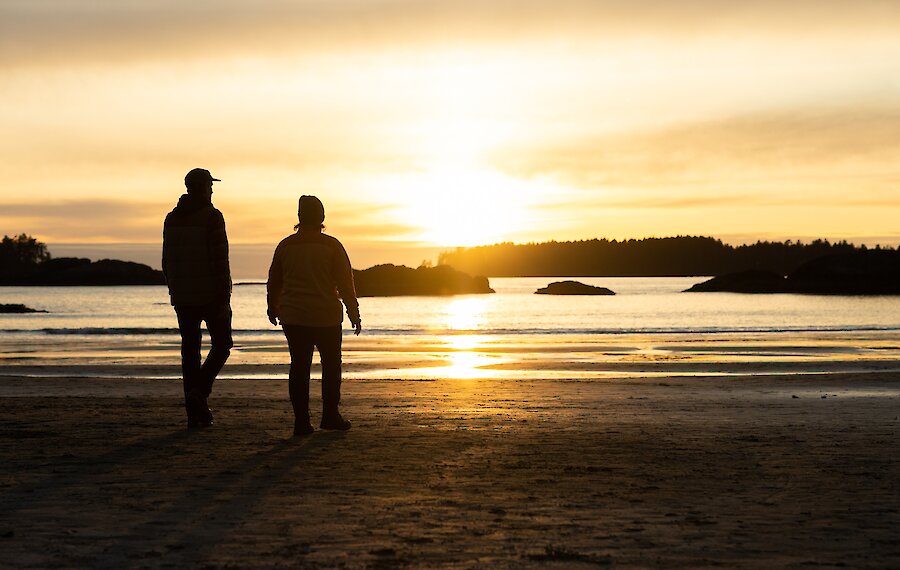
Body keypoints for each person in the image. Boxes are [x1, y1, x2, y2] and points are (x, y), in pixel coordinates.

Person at [267, 195, 361, 436]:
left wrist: (272, 306)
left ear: (299, 217)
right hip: (325, 316)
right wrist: (353, 310)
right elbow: (345, 282)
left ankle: (301, 421)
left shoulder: (286, 245)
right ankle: (330, 415)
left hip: (294, 315)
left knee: (299, 366)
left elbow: (274, 280)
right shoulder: (332, 245)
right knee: (331, 365)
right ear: (321, 217)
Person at [162, 168, 233, 428]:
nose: (212, 190)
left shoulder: (171, 219)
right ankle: (199, 393)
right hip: (210, 294)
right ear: (202, 187)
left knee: (190, 352)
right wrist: (224, 296)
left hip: (183, 297)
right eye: (210, 186)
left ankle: (194, 415)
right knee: (223, 344)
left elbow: (166, 261)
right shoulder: (212, 217)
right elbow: (219, 259)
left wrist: (174, 290)